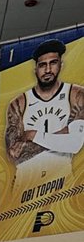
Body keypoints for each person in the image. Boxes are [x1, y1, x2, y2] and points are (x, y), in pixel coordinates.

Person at [5, 39, 84, 193]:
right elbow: (14, 153)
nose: (48, 70)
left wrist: (31, 135)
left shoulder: (77, 95)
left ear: (61, 65)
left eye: (53, 63)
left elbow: (75, 143)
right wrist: (63, 133)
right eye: (42, 65)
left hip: (62, 183)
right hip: (25, 184)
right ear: (35, 69)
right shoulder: (19, 103)